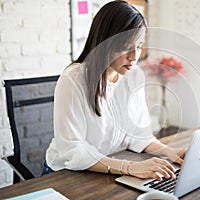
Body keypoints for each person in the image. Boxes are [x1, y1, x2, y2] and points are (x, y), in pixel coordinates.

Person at [43, 0, 186, 181]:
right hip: (66, 174)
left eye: (139, 46)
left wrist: (170, 152)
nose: (134, 57)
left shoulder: (134, 76)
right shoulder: (73, 79)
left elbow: (139, 135)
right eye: (126, 47)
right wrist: (130, 167)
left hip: (109, 168)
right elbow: (73, 151)